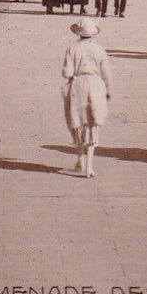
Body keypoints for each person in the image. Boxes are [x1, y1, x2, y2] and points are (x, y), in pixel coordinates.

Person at [61, 18, 117, 178]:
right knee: (93, 122)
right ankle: (89, 166)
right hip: (95, 84)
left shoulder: (72, 48)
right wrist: (108, 88)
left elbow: (67, 72)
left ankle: (81, 159)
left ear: (78, 33)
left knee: (78, 122)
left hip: (78, 84)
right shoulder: (99, 49)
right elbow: (106, 72)